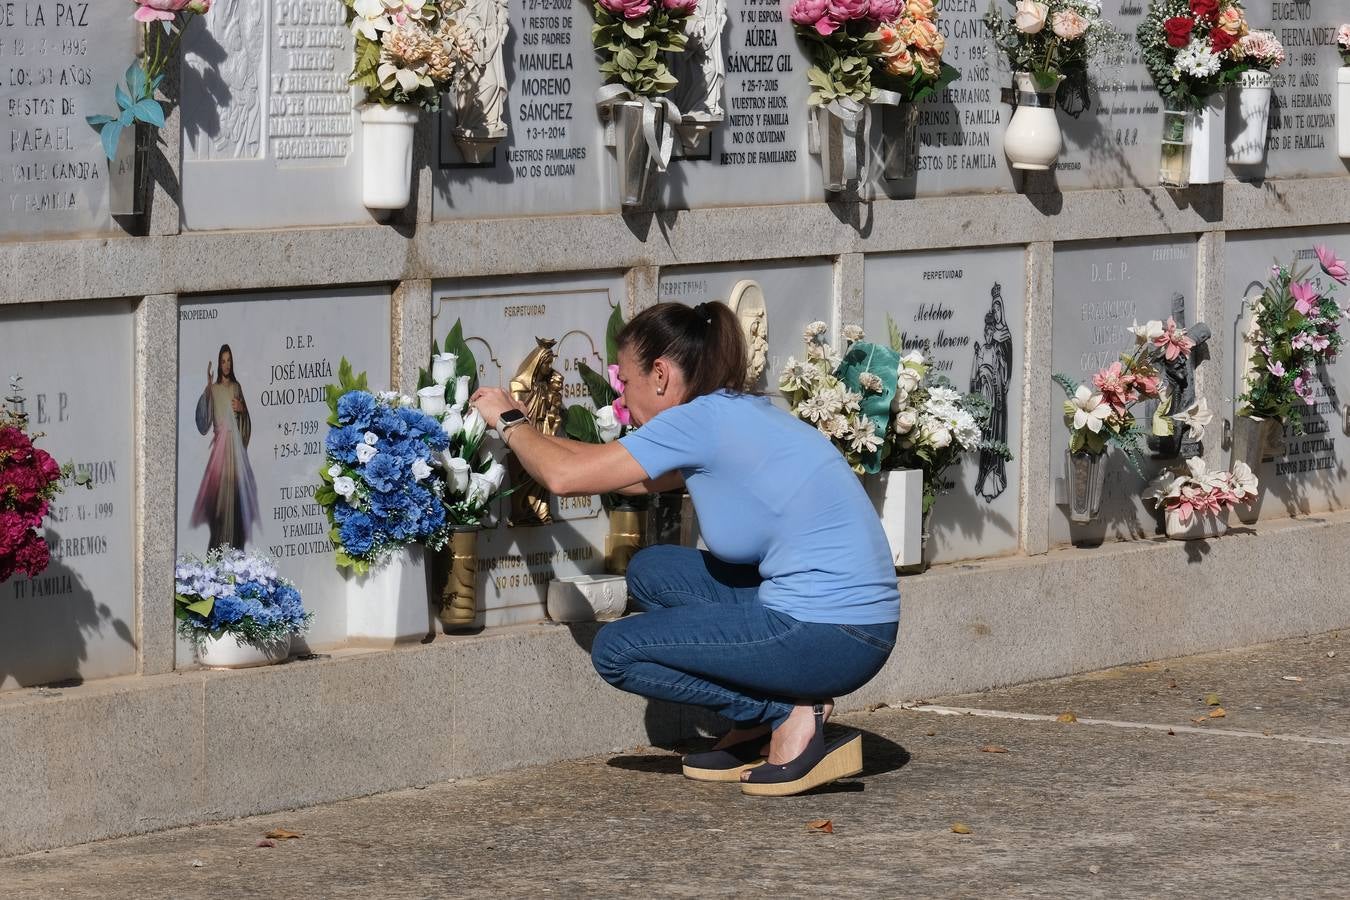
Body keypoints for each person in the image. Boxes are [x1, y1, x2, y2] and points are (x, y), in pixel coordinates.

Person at [470, 302, 900, 797]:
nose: (623, 400)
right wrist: (536, 432)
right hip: (853, 622)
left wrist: (506, 420)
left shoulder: (695, 422)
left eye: (624, 382)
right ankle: (761, 725)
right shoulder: (733, 409)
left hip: (830, 633)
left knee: (616, 651)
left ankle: (788, 712)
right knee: (653, 572)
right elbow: (623, 476)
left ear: (660, 374)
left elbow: (565, 479)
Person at [191, 343, 261, 550]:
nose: (226, 364)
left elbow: (245, 424)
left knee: (236, 500)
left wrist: (243, 408)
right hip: (220, 453)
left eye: (229, 360)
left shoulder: (237, 388)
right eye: (223, 361)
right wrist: (207, 386)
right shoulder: (213, 389)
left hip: (236, 453)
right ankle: (219, 551)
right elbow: (202, 424)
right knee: (218, 504)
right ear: (219, 363)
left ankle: (235, 549)